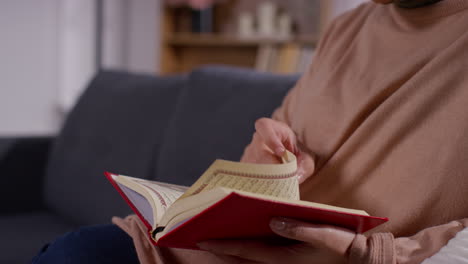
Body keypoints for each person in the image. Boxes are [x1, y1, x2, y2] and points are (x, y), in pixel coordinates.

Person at [33, 0, 468, 263]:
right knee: (75, 253)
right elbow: (279, 148)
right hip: (226, 251)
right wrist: (265, 159)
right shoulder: (348, 27)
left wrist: (365, 254)